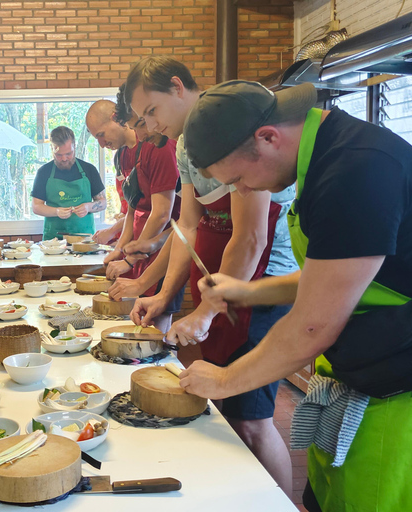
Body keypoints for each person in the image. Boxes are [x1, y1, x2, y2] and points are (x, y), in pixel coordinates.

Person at [180, 81, 412, 512]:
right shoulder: (326, 158)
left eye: (240, 179)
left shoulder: (356, 170)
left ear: (268, 138)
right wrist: (249, 290)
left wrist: (225, 380)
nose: (243, 192)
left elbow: (312, 325)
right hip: (369, 366)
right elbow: (335, 275)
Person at [116, 57, 291, 493]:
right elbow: (187, 227)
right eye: (141, 120)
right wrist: (160, 293)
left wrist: (209, 312)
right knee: (227, 417)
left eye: (151, 112)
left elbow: (251, 240)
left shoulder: (230, 129)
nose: (150, 125)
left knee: (252, 422)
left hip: (262, 290)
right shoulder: (182, 146)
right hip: (220, 290)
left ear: (178, 87)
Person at [86, 97, 183, 331]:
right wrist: (120, 249)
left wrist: (130, 258)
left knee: (154, 325)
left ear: (115, 119)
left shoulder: (157, 147)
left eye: (100, 135)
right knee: (135, 321)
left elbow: (161, 214)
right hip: (140, 248)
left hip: (164, 246)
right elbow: (132, 207)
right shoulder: (122, 156)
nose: (101, 143)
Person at [31, 126, 107, 240]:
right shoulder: (44, 172)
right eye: (59, 155)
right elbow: (36, 206)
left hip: (84, 239)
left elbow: (103, 202)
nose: (64, 159)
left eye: (68, 153)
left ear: (74, 147)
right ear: (52, 149)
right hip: (54, 241)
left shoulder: (89, 170)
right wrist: (56, 211)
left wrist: (88, 206)